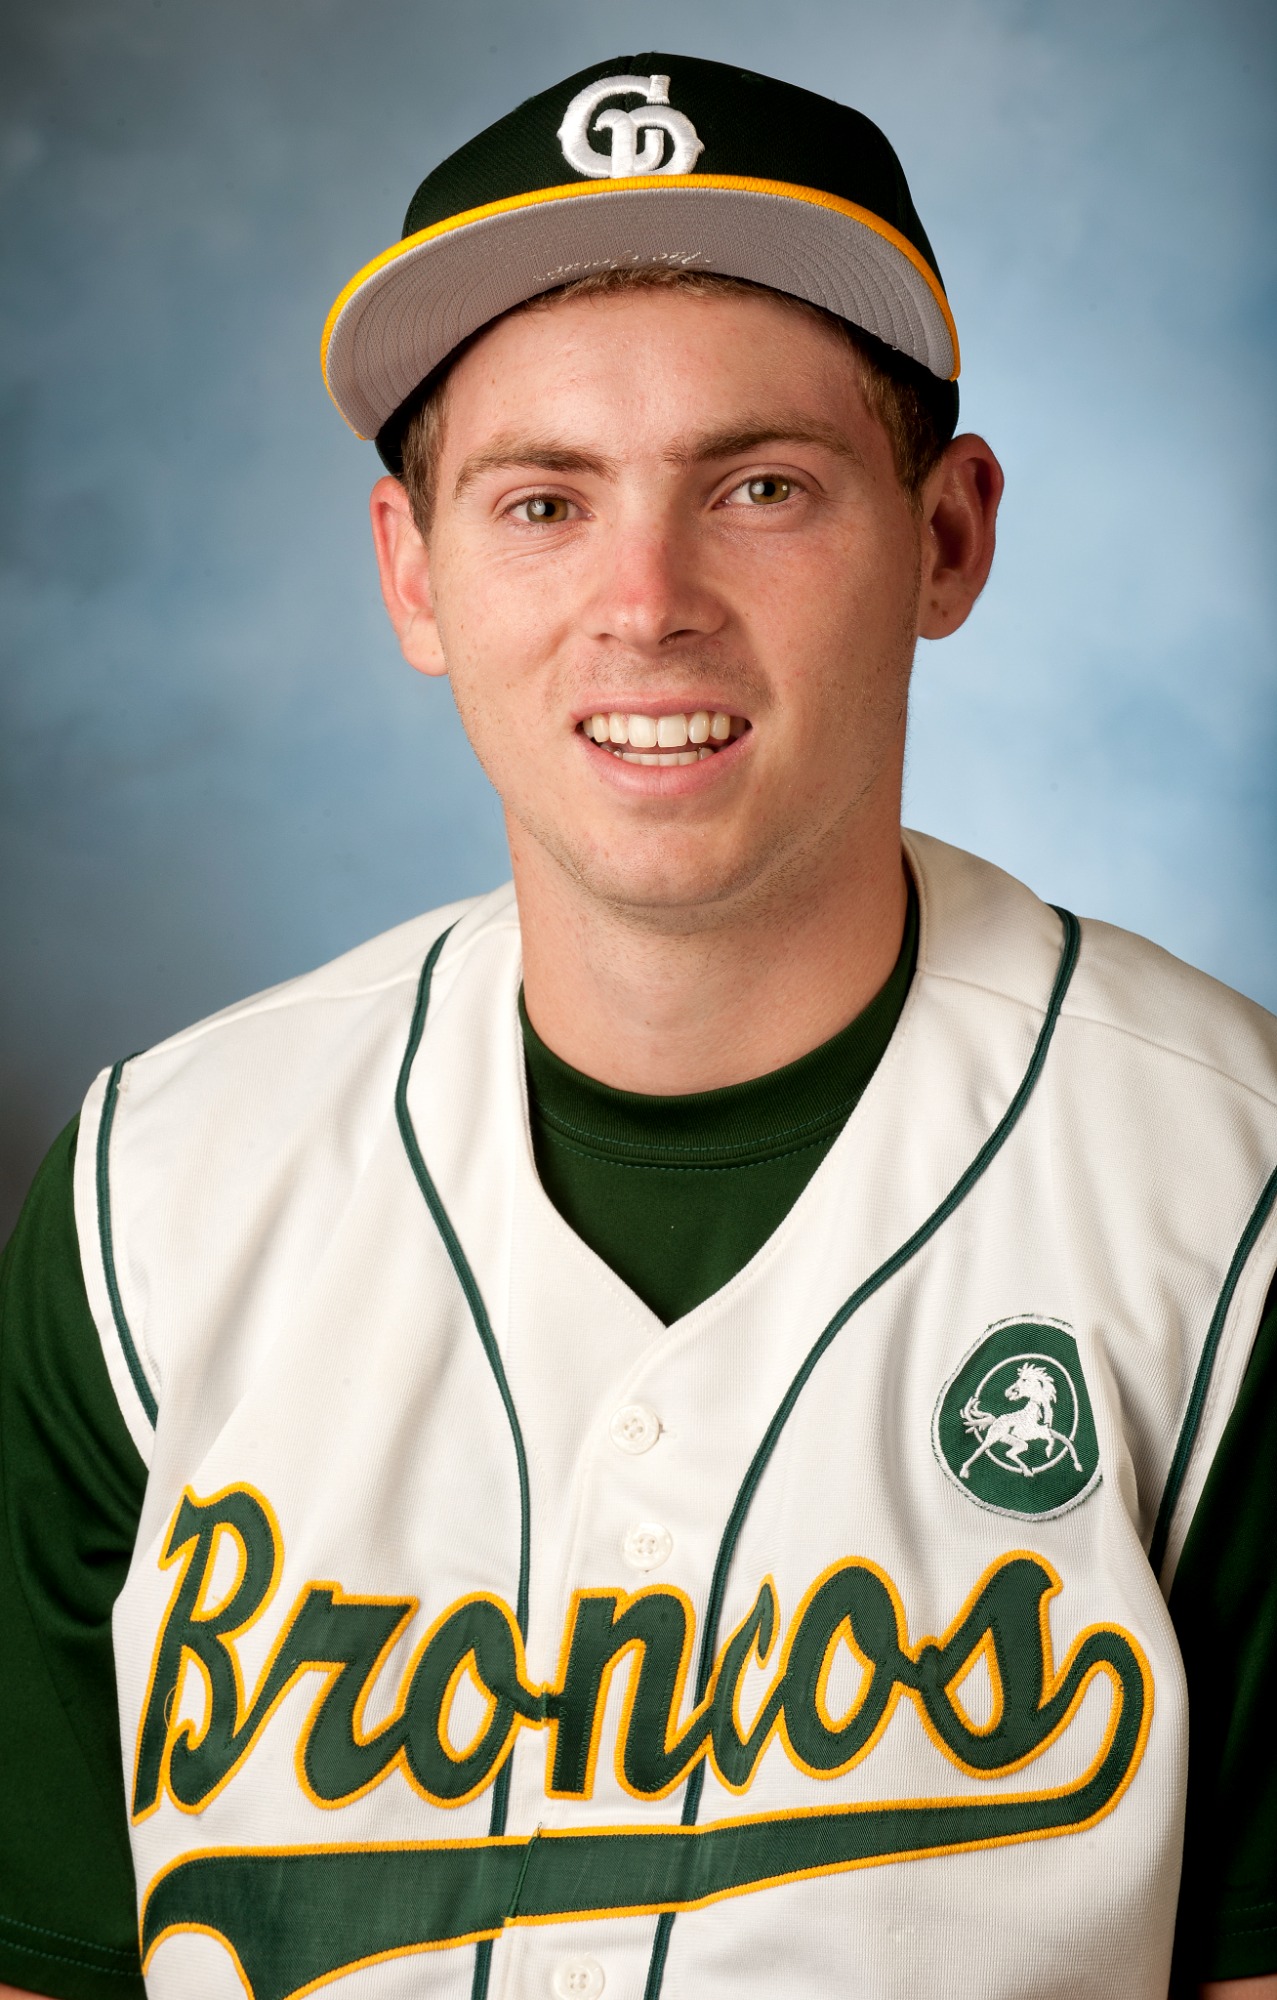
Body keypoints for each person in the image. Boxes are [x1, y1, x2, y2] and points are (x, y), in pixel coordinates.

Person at [1, 50, 1274, 2000]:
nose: (646, 600)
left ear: (948, 538)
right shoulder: (153, 1202)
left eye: (760, 486)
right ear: (411, 573)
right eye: (542, 500)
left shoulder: (1235, 1198)